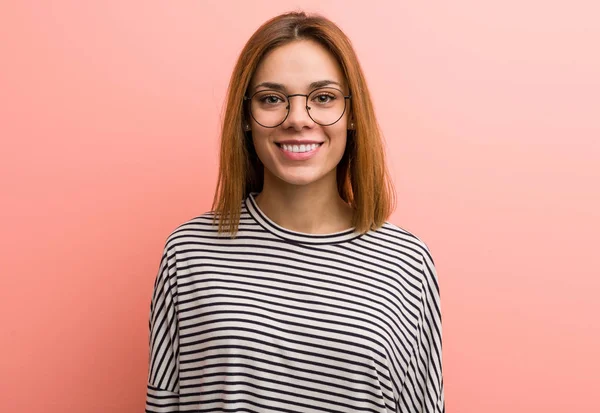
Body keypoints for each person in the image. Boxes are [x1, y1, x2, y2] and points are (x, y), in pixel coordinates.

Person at [145, 10, 444, 413]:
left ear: (352, 114)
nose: (298, 119)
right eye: (272, 99)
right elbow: (163, 403)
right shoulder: (189, 252)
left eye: (323, 98)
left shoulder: (406, 263)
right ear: (247, 117)